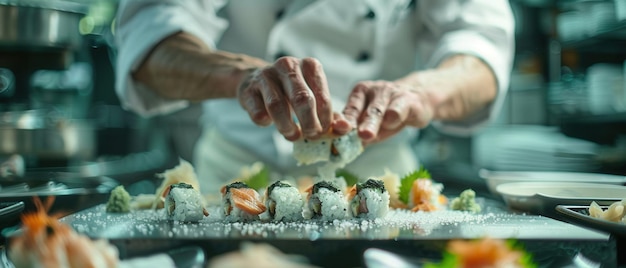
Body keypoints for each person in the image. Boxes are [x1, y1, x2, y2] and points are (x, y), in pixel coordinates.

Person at [114, 0, 515, 194]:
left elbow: (482, 43)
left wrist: (422, 93)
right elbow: (150, 32)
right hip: (232, 171)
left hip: (379, 172)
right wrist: (239, 76)